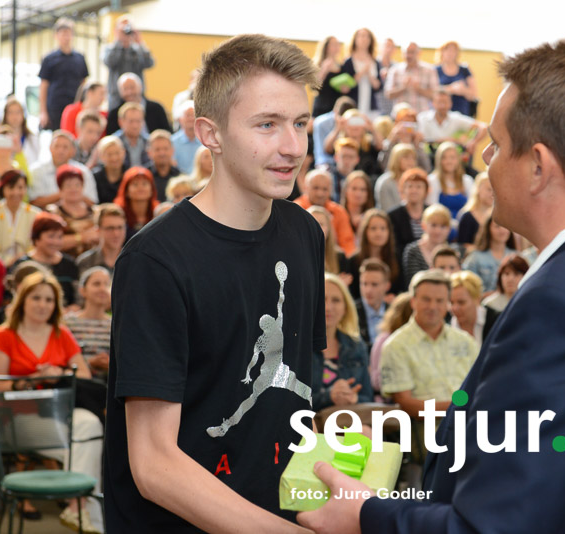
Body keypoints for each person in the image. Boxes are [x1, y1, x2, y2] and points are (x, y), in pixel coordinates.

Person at [299, 39, 565, 534]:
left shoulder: (562, 305)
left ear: (538, 166)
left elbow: (496, 526)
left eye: (496, 145)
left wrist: (367, 515)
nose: (485, 160)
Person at [105, 34, 325, 532]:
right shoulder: (155, 261)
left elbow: (293, 405)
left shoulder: (305, 233)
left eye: (300, 123)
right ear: (211, 134)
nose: (293, 147)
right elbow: (154, 465)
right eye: (267, 125)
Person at [0, 271, 103, 532]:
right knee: (85, 446)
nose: (43, 305)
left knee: (91, 427)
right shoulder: (4, 335)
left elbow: (84, 376)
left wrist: (59, 373)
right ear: (23, 300)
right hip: (19, 418)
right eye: (36, 298)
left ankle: (77, 508)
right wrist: (31, 380)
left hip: (59, 414)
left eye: (49, 299)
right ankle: (84, 511)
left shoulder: (62, 334)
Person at [378, 269, 478, 419]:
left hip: (471, 426)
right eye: (426, 299)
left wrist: (464, 404)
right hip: (427, 430)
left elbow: (479, 388)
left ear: (447, 304)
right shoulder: (395, 346)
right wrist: (460, 406)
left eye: (440, 301)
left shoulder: (466, 342)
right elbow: (406, 405)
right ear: (413, 301)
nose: (432, 307)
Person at [312, 272, 373, 411]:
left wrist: (354, 398)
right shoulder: (297, 346)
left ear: (345, 308)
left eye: (336, 300)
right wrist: (329, 397)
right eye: (323, 299)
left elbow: (368, 397)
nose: (328, 307)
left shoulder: (356, 346)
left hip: (348, 420)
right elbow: (290, 402)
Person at [11, 212, 80, 308]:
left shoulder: (69, 264)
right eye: (51, 236)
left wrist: (74, 307)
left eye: (60, 237)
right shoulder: (22, 264)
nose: (56, 242)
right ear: (37, 238)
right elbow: (13, 297)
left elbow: (78, 298)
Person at [0, 170, 41, 265]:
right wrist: (9, 261)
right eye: (11, 187)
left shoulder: (35, 214)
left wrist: (23, 259)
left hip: (29, 265)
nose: (16, 192)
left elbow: (37, 246)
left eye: (20, 187)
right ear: (2, 189)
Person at [38, 18, 89, 131]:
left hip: (74, 104)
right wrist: (43, 112)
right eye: (63, 34)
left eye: (68, 34)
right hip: (55, 106)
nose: (66, 37)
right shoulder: (49, 59)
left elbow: (83, 84)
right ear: (56, 36)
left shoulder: (80, 58)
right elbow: (43, 86)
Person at [28, 130, 98, 208]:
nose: (60, 151)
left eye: (65, 147)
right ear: (50, 148)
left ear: (73, 151)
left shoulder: (84, 172)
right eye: (57, 146)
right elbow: (34, 202)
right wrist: (65, 193)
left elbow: (92, 203)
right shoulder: (36, 170)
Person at [294, 169, 356, 256]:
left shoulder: (339, 211)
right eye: (316, 188)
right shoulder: (295, 210)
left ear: (331, 190)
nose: (320, 193)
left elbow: (347, 244)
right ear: (306, 187)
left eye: (325, 189)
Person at [65, 266, 111, 381]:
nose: (102, 289)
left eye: (107, 284)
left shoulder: (116, 325)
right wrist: (89, 364)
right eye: (96, 284)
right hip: (78, 384)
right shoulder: (68, 323)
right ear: (82, 290)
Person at [45, 165, 99, 257]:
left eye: (77, 185)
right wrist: (81, 238)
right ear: (60, 188)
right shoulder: (52, 213)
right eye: (68, 185)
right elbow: (48, 242)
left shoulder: (96, 212)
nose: (73, 189)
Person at [102, 16, 155, 111]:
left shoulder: (138, 49)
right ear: (116, 31)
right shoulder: (110, 49)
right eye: (123, 29)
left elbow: (149, 63)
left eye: (128, 27)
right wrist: (118, 42)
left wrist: (140, 42)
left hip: (137, 95)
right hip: (116, 97)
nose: (126, 31)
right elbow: (109, 62)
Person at [348, 208, 401, 300]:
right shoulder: (353, 260)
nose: (378, 233)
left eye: (383, 228)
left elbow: (402, 289)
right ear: (365, 231)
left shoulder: (397, 257)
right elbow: (352, 294)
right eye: (373, 228)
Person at [461, 214, 516, 293]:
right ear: (488, 229)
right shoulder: (475, 258)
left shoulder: (516, 256)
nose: (502, 230)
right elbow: (468, 287)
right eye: (497, 226)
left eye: (505, 226)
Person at [402, 204, 453, 285]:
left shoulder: (453, 251)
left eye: (443, 226)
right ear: (423, 225)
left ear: (449, 229)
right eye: (433, 225)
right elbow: (413, 282)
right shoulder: (412, 251)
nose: (438, 231)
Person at [481, 253, 529, 339]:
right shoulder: (489, 304)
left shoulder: (531, 302)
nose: (510, 279)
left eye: (516, 274)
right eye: (506, 274)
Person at [105, 73, 171, 136]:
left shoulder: (156, 108)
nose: (129, 92)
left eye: (132, 87)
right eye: (125, 89)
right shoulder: (114, 114)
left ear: (141, 87)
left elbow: (167, 132)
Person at [387, 167, 429, 262]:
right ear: (402, 190)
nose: (414, 190)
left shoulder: (432, 212)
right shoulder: (393, 216)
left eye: (418, 187)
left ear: (426, 191)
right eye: (410, 186)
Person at [384, 42, 439, 113]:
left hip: (422, 115)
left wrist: (418, 89)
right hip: (400, 115)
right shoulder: (395, 70)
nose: (409, 55)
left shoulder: (429, 70)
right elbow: (388, 95)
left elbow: (435, 95)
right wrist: (403, 87)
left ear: (419, 53)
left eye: (412, 52)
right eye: (406, 52)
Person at [76, 203, 127, 276]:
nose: (116, 234)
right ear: (98, 231)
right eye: (110, 228)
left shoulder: (133, 260)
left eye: (120, 228)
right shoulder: (85, 262)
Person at [340, 28, 382, 116]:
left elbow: (378, 86)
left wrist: (369, 74)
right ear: (355, 39)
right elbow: (346, 86)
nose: (364, 39)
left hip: (371, 106)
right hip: (353, 105)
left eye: (367, 37)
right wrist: (363, 71)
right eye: (362, 36)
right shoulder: (348, 62)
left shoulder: (375, 61)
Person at [112, 166, 158, 241]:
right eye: (135, 184)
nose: (140, 188)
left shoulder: (158, 212)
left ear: (152, 190)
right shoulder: (117, 212)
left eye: (144, 184)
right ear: (126, 191)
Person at [354, 258, 391, 352]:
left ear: (387, 286)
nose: (368, 290)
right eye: (364, 284)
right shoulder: (351, 311)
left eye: (374, 284)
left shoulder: (394, 313)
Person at [435, 41, 479, 117]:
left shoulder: (464, 70)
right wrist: (450, 89)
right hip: (442, 112)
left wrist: (463, 90)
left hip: (462, 112)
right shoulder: (435, 70)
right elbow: (432, 92)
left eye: (453, 50)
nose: (450, 53)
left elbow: (474, 95)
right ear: (442, 52)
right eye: (448, 50)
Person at [374, 142, 418, 213]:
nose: (411, 161)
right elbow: (386, 210)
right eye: (406, 157)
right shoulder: (385, 182)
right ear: (396, 159)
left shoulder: (417, 181)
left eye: (413, 158)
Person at [456, 171, 492, 251]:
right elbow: (462, 245)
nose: (492, 194)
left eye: (494, 190)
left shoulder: (497, 217)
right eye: (489, 189)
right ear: (478, 189)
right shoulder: (466, 217)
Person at [1, 95, 41, 166]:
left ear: (23, 115)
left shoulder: (33, 138)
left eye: (18, 112)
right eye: (11, 113)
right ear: (5, 115)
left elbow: (34, 163)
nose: (14, 117)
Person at [449, 270, 485, 346]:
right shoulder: (445, 326)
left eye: (461, 302)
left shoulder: (496, 321)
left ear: (477, 299)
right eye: (451, 303)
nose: (455, 308)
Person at [145, 129, 180, 201]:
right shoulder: (143, 177)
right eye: (157, 149)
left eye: (165, 149)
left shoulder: (180, 177)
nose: (162, 153)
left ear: (172, 151)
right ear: (149, 152)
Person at [312, 36, 343, 117]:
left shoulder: (341, 66)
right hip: (322, 106)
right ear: (326, 47)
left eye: (337, 44)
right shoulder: (318, 64)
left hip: (336, 107)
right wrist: (324, 70)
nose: (336, 47)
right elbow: (313, 87)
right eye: (333, 44)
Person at [91, 135, 127, 204]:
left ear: (123, 153)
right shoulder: (94, 177)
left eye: (117, 153)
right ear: (101, 156)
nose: (114, 158)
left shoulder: (129, 174)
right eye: (109, 154)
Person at [340, 169, 374, 241]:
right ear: (345, 191)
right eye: (354, 189)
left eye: (363, 189)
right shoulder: (336, 214)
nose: (358, 194)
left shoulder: (374, 218)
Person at [171, 101, 202, 173]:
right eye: (188, 115)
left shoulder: (205, 142)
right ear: (180, 119)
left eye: (193, 115)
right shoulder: (172, 142)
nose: (191, 118)